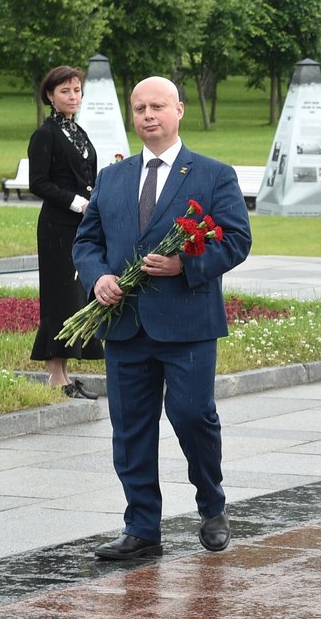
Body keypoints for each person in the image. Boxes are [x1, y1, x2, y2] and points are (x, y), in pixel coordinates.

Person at [73, 77, 252, 561]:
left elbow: (236, 240)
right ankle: (141, 526)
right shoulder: (113, 177)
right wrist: (98, 278)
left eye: (157, 106)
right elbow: (86, 242)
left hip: (187, 322)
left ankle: (211, 505)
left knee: (193, 416)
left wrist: (185, 264)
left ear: (179, 110)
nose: (147, 115)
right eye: (139, 108)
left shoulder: (212, 175)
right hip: (124, 325)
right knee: (130, 426)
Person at [28, 66, 104, 397]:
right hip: (58, 227)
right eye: (65, 91)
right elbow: (38, 183)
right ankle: (57, 376)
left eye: (76, 90)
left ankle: (65, 372)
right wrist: (77, 202)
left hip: (81, 225)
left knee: (76, 296)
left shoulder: (78, 131)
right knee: (59, 296)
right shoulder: (45, 135)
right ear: (50, 96)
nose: (72, 96)